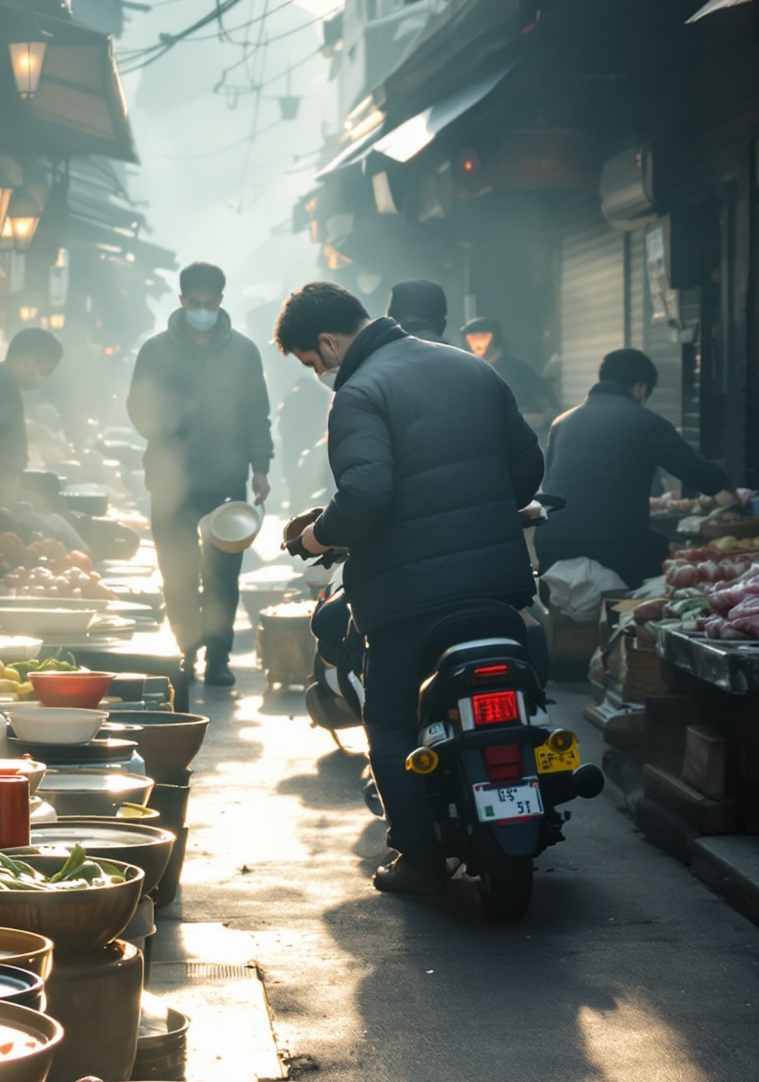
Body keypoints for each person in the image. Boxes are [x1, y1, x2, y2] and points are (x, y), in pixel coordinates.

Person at [275, 282, 544, 894]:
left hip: (409, 601)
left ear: (328, 342)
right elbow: (527, 468)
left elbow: (368, 493)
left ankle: (419, 859)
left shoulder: (359, 391)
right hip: (497, 586)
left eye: (313, 362)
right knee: (530, 686)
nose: (320, 374)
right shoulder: (471, 368)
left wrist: (317, 536)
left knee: (389, 720)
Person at [127, 263, 274, 687]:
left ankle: (218, 659)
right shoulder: (155, 350)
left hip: (227, 480)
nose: (203, 311)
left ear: (221, 301)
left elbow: (256, 413)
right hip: (169, 481)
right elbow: (138, 407)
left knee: (222, 577)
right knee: (177, 574)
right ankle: (185, 653)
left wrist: (261, 467)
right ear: (182, 301)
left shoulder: (244, 351)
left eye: (210, 303)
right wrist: (167, 429)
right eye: (195, 303)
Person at [536, 348, 733, 587]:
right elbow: (698, 474)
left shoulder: (561, 423)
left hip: (550, 541)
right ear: (640, 388)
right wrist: (728, 485)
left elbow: (550, 482)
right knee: (671, 561)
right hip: (614, 545)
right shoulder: (648, 422)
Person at [0, 327, 63, 513]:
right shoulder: (3, 383)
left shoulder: (1, 379)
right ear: (30, 361)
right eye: (46, 372)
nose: (43, 379)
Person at [460, 315, 555, 425]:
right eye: (472, 338)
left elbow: (547, 411)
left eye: (483, 337)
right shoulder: (465, 372)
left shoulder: (520, 370)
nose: (478, 344)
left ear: (495, 338)